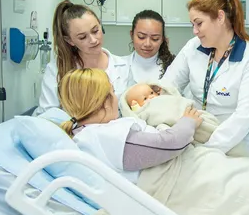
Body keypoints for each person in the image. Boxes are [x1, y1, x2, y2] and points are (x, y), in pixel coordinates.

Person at [161, 0, 249, 155]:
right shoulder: (193, 47)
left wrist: (209, 149)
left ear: (220, 17)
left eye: (199, 23)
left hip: (243, 144)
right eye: (192, 25)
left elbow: (244, 116)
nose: (195, 31)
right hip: (202, 137)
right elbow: (169, 84)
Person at [58, 68, 201, 184]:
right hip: (175, 178)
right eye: (113, 92)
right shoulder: (105, 136)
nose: (116, 97)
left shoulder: (85, 133)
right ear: (105, 102)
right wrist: (188, 121)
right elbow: (170, 144)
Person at [37, 1, 130, 115]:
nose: (93, 40)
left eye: (95, 31)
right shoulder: (56, 70)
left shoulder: (124, 67)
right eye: (82, 37)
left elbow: (132, 109)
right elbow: (47, 114)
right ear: (70, 40)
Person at [126, 9, 175, 85]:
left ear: (162, 39)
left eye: (155, 39)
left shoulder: (174, 67)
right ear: (132, 35)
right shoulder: (119, 67)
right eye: (141, 37)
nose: (147, 44)